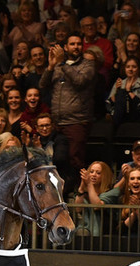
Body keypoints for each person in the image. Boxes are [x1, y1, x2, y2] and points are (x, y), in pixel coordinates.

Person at [40, 32, 95, 196]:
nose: (76, 47)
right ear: (66, 47)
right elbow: (43, 84)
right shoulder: (57, 66)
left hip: (76, 121)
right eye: (72, 44)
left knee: (75, 159)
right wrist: (50, 67)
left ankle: (79, 193)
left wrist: (63, 63)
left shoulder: (88, 65)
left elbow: (79, 82)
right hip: (57, 122)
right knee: (57, 160)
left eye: (79, 44)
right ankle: (60, 194)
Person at [73, 160, 119, 236]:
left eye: (98, 173)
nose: (93, 175)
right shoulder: (85, 193)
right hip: (86, 229)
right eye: (91, 172)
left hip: (107, 233)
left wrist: (89, 184)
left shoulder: (112, 192)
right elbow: (78, 209)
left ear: (105, 176)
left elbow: (97, 206)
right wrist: (81, 188)